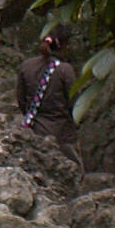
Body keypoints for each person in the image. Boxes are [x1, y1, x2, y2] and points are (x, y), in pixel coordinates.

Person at [17, 23, 82, 168]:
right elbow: (74, 103)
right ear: (64, 44)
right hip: (63, 136)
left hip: (34, 132)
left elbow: (21, 100)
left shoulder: (26, 66)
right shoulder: (66, 70)